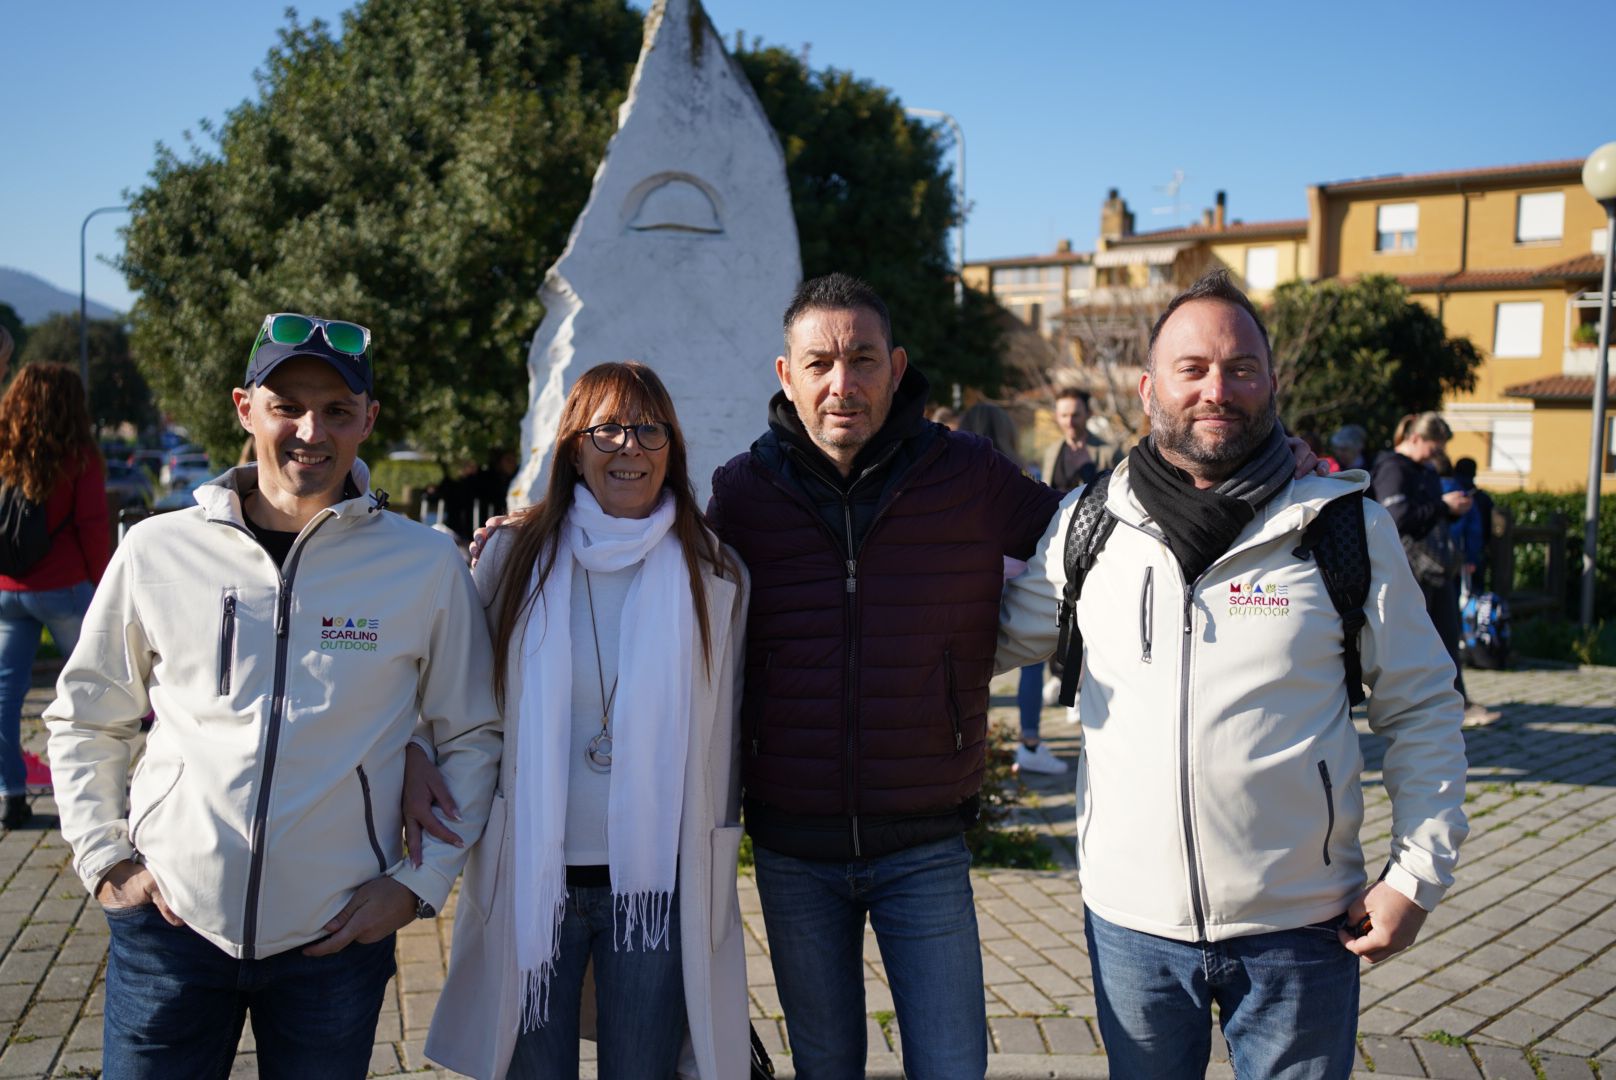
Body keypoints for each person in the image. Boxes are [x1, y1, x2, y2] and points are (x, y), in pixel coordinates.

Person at [999, 271, 1469, 1080]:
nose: (1218, 389)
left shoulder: (1340, 525)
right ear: (1149, 388)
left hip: (1304, 929)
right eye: (1193, 368)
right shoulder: (1087, 524)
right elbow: (981, 640)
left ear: (1271, 383)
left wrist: (1417, 876)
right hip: (1131, 928)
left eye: (1241, 367)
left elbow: (1423, 708)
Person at [45, 312, 502, 1078]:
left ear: (368, 422)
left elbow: (473, 735)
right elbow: (87, 714)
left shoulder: (423, 565)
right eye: (287, 404)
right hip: (169, 929)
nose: (309, 430)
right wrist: (106, 860)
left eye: (336, 410)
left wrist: (416, 887)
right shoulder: (158, 548)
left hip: (336, 937)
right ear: (244, 408)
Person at [704, 273, 1063, 1078]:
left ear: (897, 368)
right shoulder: (743, 492)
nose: (843, 384)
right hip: (795, 848)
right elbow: (660, 569)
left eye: (863, 359)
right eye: (821, 362)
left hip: (925, 841)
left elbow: (1086, 529)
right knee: (827, 1064)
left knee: (951, 1062)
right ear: (785, 375)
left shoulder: (967, 473)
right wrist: (534, 530)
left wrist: (1242, 471)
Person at [420, 362, 749, 1080]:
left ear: (672, 448)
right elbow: (458, 702)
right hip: (536, 879)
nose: (630, 446)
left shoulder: (715, 570)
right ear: (573, 447)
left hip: (657, 890)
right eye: (608, 428)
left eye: (649, 428)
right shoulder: (511, 557)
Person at [0, 363, 109, 830]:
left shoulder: (4, 451)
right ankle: (95, 800)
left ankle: (11, 795)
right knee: (98, 695)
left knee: (4, 698)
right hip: (65, 589)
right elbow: (92, 529)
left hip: (6, 590)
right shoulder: (80, 457)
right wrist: (107, 587)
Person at [957, 399, 1068, 777]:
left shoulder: (951, 477)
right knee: (1032, 664)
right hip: (1018, 581)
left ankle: (972, 743)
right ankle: (1031, 741)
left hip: (968, 585)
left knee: (968, 671)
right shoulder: (1023, 474)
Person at [1369, 413, 1485, 718]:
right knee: (1407, 643)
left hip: (1435, 568)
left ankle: (1453, 702)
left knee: (1446, 638)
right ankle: (1407, 706)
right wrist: (1443, 506)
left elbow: (1426, 515)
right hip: (1406, 569)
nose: (1438, 455)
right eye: (1435, 447)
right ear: (1415, 438)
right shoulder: (1393, 469)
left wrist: (1453, 510)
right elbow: (1395, 517)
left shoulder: (1427, 471)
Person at [1041, 386, 1123, 494]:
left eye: (1075, 415)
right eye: (1064, 416)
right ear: (1057, 416)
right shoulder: (1051, 452)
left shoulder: (1109, 453)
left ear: (1088, 414)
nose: (1069, 422)